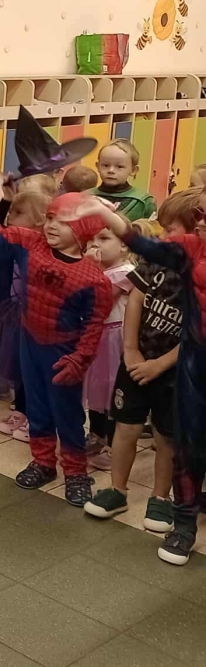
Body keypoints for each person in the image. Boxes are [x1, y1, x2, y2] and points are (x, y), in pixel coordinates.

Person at [0, 176, 112, 505]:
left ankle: (75, 472)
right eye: (49, 218)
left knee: (68, 414)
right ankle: (43, 462)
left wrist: (79, 360)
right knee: (36, 406)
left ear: (83, 228)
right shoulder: (31, 243)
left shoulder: (95, 280)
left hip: (63, 351)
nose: (51, 225)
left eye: (62, 221)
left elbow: (94, 326)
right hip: (29, 342)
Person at [87, 191, 206, 564]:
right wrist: (131, 352)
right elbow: (137, 293)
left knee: (171, 439)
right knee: (131, 428)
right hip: (146, 362)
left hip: (177, 371)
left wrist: (160, 364)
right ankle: (121, 492)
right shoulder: (164, 259)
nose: (163, 235)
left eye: (172, 228)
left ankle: (163, 499)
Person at [0, 189, 51, 441]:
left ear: (39, 219)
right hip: (16, 314)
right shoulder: (16, 243)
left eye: (18, 212)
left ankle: (38, 418)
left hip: (38, 318)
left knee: (35, 372)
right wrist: (4, 202)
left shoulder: (45, 247)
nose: (10, 217)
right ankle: (22, 411)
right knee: (19, 368)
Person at [82, 227, 135, 471]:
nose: (95, 244)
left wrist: (88, 267)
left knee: (114, 390)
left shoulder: (125, 272)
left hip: (115, 339)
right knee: (97, 388)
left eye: (103, 238)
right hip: (98, 336)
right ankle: (96, 434)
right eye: (92, 239)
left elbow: (100, 301)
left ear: (124, 245)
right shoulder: (102, 271)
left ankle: (113, 447)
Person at [91, 139, 155, 220]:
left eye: (119, 167)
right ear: (98, 166)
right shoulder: (85, 197)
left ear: (133, 170)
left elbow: (152, 227)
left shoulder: (144, 202)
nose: (111, 170)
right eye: (105, 165)